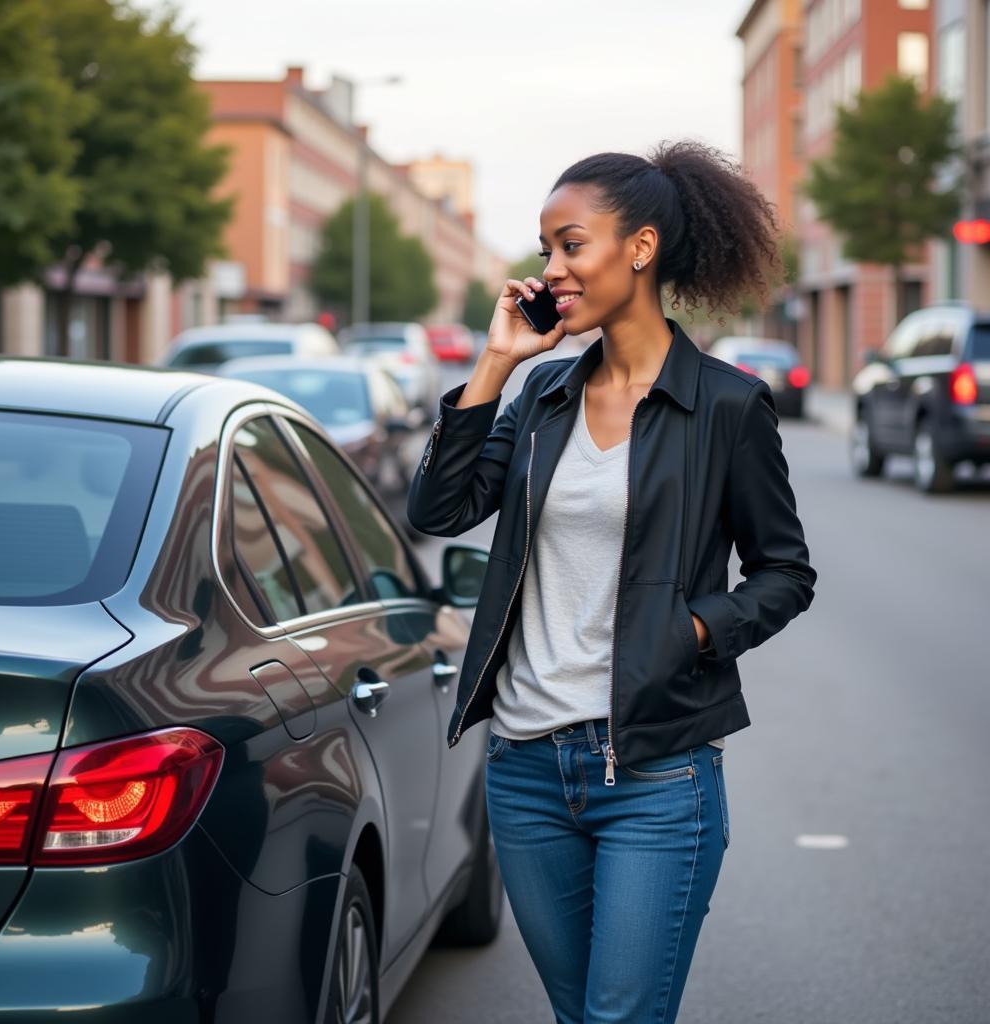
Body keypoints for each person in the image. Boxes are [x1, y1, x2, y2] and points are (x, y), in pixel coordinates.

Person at [407, 141, 817, 1024]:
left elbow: (785, 573)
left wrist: (695, 631)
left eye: (570, 245)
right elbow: (440, 510)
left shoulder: (727, 405)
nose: (550, 271)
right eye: (545, 249)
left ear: (639, 249)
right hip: (524, 770)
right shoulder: (543, 394)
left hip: (656, 775)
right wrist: (495, 364)